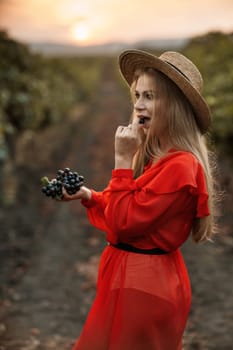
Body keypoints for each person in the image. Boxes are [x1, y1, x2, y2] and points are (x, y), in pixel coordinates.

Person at [63, 50, 217, 350]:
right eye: (137, 95)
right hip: (131, 280)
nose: (138, 105)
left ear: (174, 107)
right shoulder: (158, 158)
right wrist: (90, 196)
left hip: (144, 289)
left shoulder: (180, 166)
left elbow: (124, 222)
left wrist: (121, 160)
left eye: (149, 96)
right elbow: (129, 205)